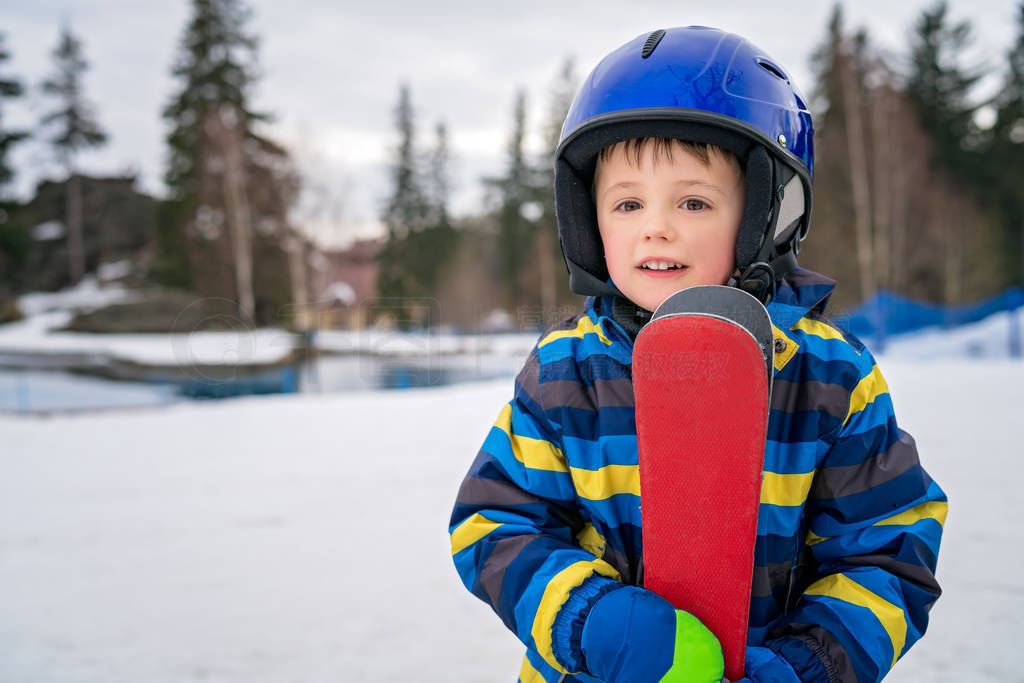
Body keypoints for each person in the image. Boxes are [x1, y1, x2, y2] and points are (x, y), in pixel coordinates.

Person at [449, 26, 946, 683]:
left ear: (766, 218)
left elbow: (888, 550)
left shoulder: (827, 377)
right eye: (627, 203)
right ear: (588, 223)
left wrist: (806, 668)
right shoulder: (565, 371)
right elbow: (494, 522)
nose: (656, 225)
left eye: (693, 201)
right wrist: (594, 621)